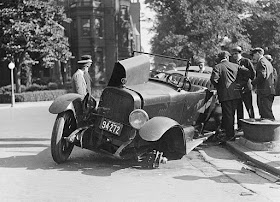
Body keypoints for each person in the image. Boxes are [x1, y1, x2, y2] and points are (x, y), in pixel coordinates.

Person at [210, 51, 241, 142]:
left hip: (225, 95)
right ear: (227, 57)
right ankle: (230, 133)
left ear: (220, 58)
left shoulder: (218, 66)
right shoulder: (235, 66)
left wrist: (220, 87)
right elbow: (246, 73)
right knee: (232, 114)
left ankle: (230, 135)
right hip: (236, 93)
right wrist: (240, 84)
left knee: (227, 115)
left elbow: (214, 79)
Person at [231, 46, 255, 130]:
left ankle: (252, 123)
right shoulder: (232, 63)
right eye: (233, 54)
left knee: (249, 106)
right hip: (237, 88)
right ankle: (240, 126)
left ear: (240, 53)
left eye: (236, 53)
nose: (234, 55)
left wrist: (248, 83)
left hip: (246, 87)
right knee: (239, 107)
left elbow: (252, 74)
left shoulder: (246, 61)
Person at [251, 48, 276, 120]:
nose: (253, 57)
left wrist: (253, 82)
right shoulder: (268, 62)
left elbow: (262, 75)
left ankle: (272, 130)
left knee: (265, 113)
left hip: (264, 92)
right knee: (266, 112)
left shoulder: (261, 62)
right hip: (269, 91)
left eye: (254, 54)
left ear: (258, 53)